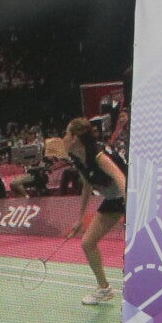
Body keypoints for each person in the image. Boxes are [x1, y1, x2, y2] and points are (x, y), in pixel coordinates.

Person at [62, 116, 127, 306]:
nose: (63, 137)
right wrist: (80, 219)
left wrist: (130, 206)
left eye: (66, 133)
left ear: (75, 138)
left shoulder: (98, 155)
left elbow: (120, 177)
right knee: (88, 242)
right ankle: (104, 288)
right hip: (113, 199)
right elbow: (87, 186)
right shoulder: (78, 158)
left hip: (132, 194)